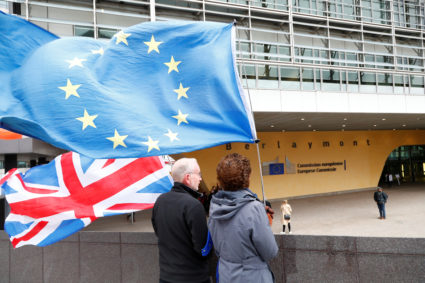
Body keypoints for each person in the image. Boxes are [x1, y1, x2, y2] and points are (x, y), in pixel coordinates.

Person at [208, 153, 278, 283]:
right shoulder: (254, 208)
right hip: (252, 277)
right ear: (248, 177)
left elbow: (218, 249)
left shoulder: (215, 205)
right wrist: (264, 223)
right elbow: (270, 252)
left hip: (226, 275)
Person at [151, 158, 212, 283]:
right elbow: (203, 249)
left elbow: (158, 233)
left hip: (166, 277)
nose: (200, 178)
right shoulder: (193, 205)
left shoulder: (160, 201)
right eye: (198, 174)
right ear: (188, 178)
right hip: (193, 278)